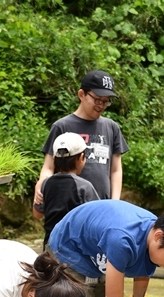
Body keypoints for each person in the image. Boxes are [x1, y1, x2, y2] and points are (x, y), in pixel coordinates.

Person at [34, 70, 128, 203]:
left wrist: (114, 202)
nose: (101, 106)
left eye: (106, 101)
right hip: (68, 205)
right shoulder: (62, 126)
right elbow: (49, 167)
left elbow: (116, 170)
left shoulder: (111, 127)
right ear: (82, 94)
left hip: (102, 206)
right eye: (97, 100)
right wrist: (41, 187)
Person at [32, 132, 100, 247]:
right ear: (82, 158)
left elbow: (37, 214)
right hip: (75, 250)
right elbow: (98, 218)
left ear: (54, 158)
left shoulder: (46, 183)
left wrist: (37, 201)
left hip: (50, 246)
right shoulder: (84, 187)